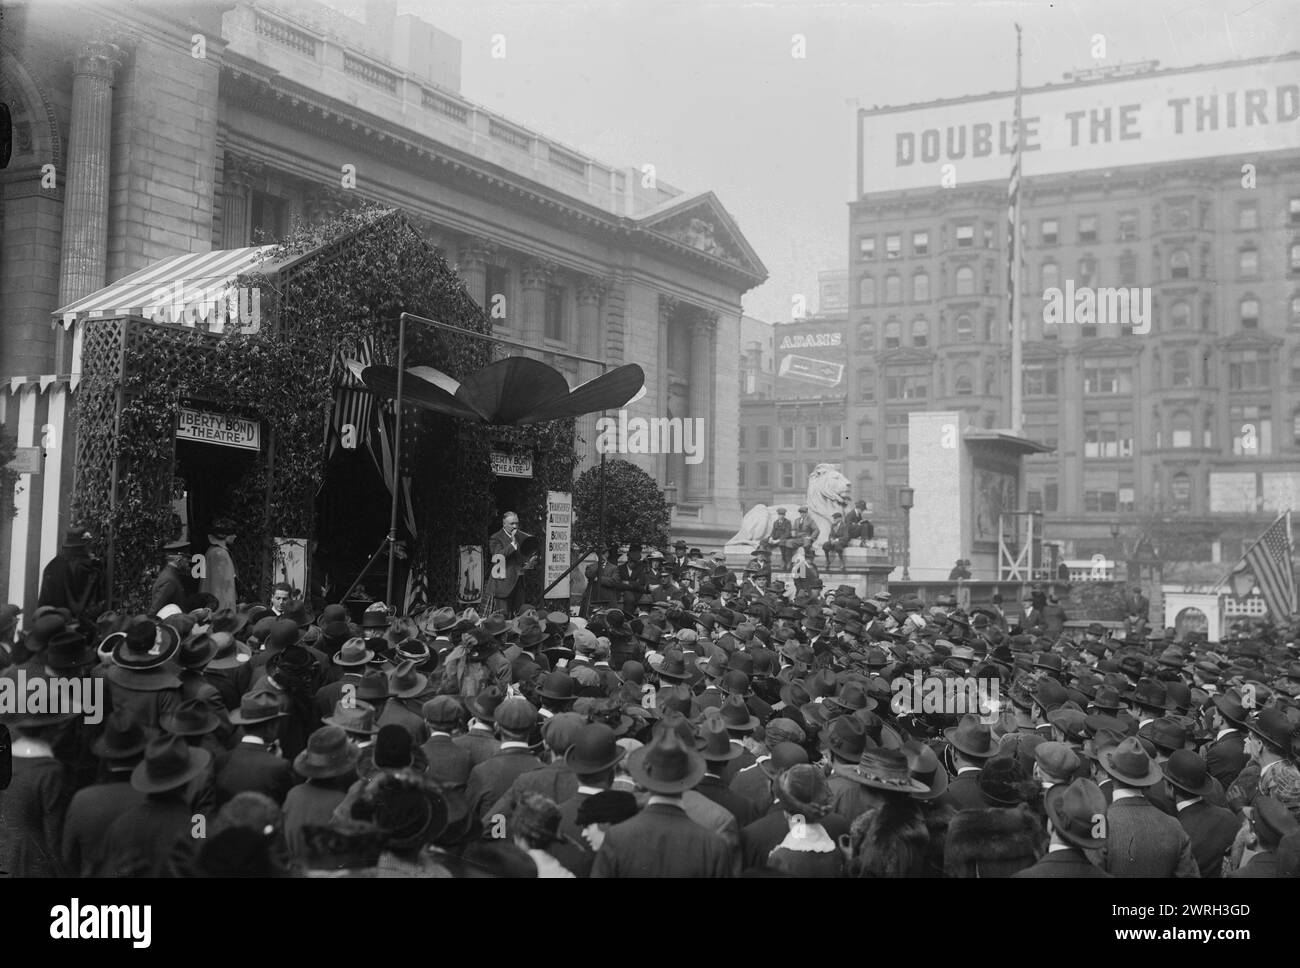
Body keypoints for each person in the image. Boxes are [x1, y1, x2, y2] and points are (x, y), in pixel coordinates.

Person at [37, 526, 104, 627]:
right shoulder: (83, 567)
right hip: (73, 626)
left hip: (51, 624)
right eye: (87, 546)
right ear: (81, 548)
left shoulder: (52, 565)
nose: (89, 550)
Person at [485, 512, 538, 618]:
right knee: (502, 618)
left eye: (517, 523)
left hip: (518, 584)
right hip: (502, 586)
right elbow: (497, 556)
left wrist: (529, 563)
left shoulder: (520, 537)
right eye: (512, 523)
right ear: (504, 524)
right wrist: (513, 545)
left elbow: (520, 559)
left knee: (519, 618)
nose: (515, 526)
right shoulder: (496, 538)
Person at [199, 518, 238, 611]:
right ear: (226, 535)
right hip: (220, 609)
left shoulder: (212, 550)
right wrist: (225, 611)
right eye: (232, 533)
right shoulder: (220, 554)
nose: (235, 536)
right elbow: (222, 586)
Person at [150, 538, 191, 617]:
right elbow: (156, 608)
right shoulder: (169, 579)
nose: (188, 562)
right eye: (186, 559)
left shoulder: (172, 575)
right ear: (179, 559)